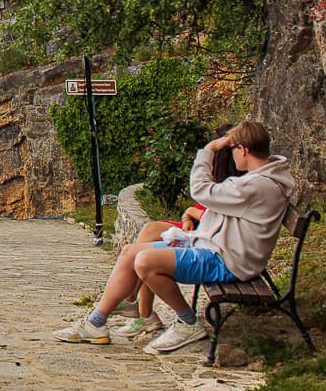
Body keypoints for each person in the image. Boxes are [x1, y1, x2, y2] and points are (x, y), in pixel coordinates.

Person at [54, 121, 296, 356]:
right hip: (215, 249)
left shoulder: (259, 186)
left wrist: (208, 151)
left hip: (227, 261)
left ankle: (187, 322)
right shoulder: (261, 180)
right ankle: (96, 322)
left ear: (242, 149)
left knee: (145, 262)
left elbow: (200, 190)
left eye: (231, 149)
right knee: (131, 252)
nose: (230, 155)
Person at [110, 127, 243, 338]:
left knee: (147, 247)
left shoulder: (237, 179)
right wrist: (187, 215)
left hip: (212, 237)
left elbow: (214, 210)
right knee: (149, 231)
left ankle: (140, 310)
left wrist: (191, 212)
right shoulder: (229, 175)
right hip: (204, 228)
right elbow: (202, 207)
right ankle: (140, 311)